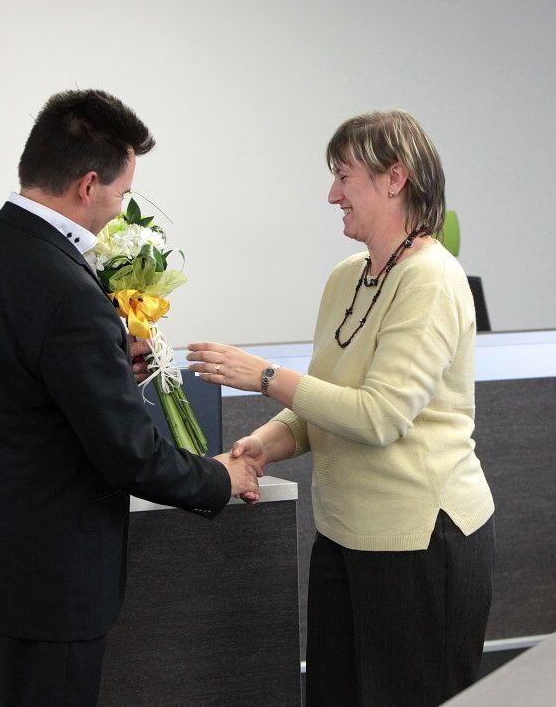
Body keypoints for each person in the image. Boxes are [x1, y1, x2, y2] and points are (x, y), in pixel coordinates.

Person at [0, 89, 259, 707]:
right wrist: (220, 477)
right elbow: (128, 455)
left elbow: (11, 387)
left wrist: (104, 368)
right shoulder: (68, 290)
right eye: (122, 194)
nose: (119, 210)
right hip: (48, 581)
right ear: (88, 185)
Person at [187, 110, 495, 707]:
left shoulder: (431, 279)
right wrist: (262, 446)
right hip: (343, 536)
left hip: (418, 541)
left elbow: (379, 416)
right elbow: (325, 402)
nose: (333, 195)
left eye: (344, 176)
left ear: (395, 178)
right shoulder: (347, 277)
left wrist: (265, 377)